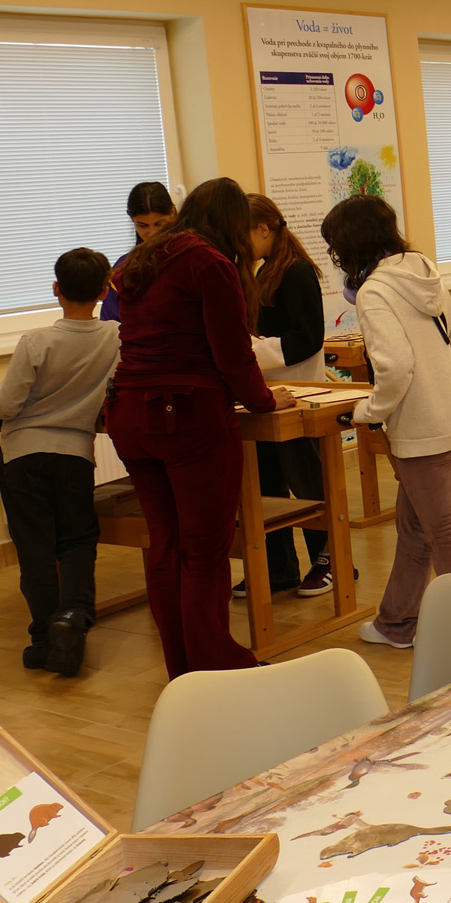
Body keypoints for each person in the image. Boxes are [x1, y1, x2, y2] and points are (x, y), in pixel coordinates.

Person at [110, 178, 295, 677]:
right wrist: (264, 400)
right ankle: (218, 667)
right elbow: (233, 354)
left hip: (131, 412)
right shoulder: (209, 263)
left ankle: (183, 666)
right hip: (188, 416)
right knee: (204, 551)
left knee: (164, 545)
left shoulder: (139, 260)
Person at [318, 196, 451, 650]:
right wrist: (436, 379)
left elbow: (395, 369)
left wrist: (369, 412)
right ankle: (397, 623)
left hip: (423, 432)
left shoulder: (375, 292)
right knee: (416, 527)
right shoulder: (420, 269)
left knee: (443, 534)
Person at [0, 248, 119, 677]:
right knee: (77, 541)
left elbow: (6, 405)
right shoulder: (116, 338)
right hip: (75, 455)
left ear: (55, 289)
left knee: (36, 549)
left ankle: (44, 638)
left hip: (23, 456)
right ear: (104, 291)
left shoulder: (36, 341)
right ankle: (73, 618)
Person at [244, 193, 332, 597]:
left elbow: (308, 338)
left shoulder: (296, 272)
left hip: (299, 393)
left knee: (309, 485)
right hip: (269, 394)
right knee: (268, 486)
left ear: (263, 229)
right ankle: (279, 568)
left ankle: (331, 562)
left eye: (242, 234)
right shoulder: (264, 270)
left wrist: (252, 351)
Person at [100, 181, 176, 323]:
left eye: (159, 224)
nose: (153, 233)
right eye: (143, 226)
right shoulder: (123, 269)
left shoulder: (192, 259)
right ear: (132, 220)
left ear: (173, 213)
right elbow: (112, 324)